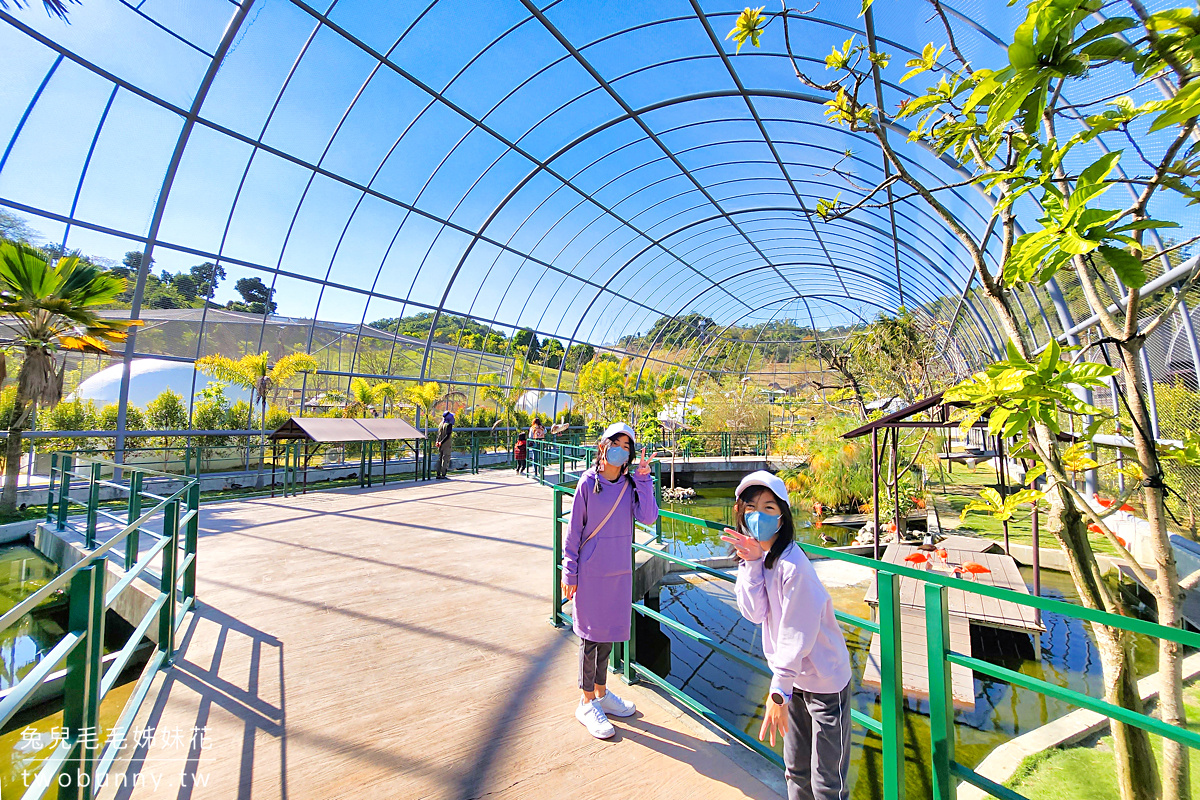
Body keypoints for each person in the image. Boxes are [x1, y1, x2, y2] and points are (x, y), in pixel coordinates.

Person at [721, 471, 852, 800]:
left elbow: (796, 634)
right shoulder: (763, 560)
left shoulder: (794, 567)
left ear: (783, 517)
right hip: (793, 681)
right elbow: (753, 613)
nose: (758, 516)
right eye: (750, 507)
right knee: (795, 770)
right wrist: (750, 564)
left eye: (769, 507)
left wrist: (778, 691)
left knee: (827, 781)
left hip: (823, 683)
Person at [561, 422, 658, 739]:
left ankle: (602, 693)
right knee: (590, 639)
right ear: (602, 446)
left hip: (617, 572)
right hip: (590, 574)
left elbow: (648, 516)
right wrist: (570, 570)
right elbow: (574, 531)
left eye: (626, 446)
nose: (621, 449)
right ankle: (586, 702)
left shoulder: (630, 485)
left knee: (607, 635)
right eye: (615, 443)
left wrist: (644, 480)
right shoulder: (587, 484)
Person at [434, 411, 454, 479]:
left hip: (440, 445)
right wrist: (441, 442)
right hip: (446, 445)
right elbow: (448, 435)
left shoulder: (440, 424)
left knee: (440, 459)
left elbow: (438, 434)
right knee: (445, 459)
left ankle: (438, 474)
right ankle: (443, 474)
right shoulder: (449, 425)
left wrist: (438, 442)